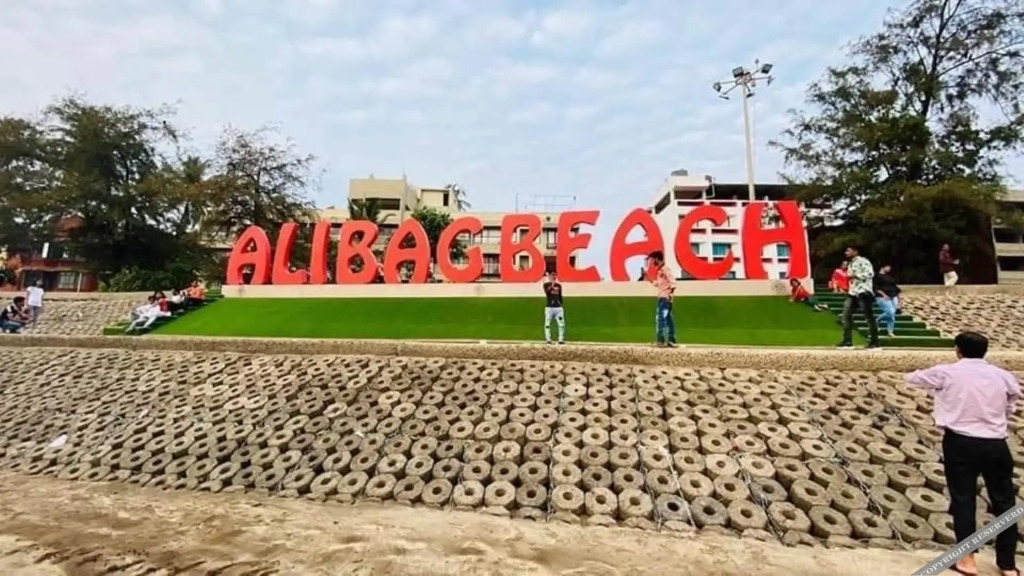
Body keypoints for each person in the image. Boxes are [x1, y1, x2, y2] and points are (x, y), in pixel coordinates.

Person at [905, 332, 1021, 576]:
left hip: (961, 441)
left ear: (958, 350)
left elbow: (913, 378)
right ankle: (1008, 564)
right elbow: (1012, 400)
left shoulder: (947, 372)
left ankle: (967, 560)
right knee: (1004, 501)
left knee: (963, 499)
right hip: (996, 443)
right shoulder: (1002, 375)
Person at [838, 246, 880, 349]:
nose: (846, 252)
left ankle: (874, 342)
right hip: (853, 292)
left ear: (855, 251)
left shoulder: (863, 261)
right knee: (846, 315)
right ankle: (847, 341)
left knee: (868, 316)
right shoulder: (851, 263)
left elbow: (870, 273)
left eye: (849, 251)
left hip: (863, 291)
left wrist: (855, 275)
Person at [648, 251, 676, 348]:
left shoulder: (665, 269)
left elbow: (673, 282)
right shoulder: (660, 271)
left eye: (653, 260)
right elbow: (657, 284)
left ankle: (661, 340)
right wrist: (647, 277)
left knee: (660, 318)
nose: (652, 262)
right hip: (663, 298)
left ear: (657, 259)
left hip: (665, 298)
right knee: (668, 319)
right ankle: (671, 340)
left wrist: (670, 295)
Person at [873, 265, 901, 338]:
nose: (889, 269)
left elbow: (896, 289)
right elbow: (876, 288)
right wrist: (884, 295)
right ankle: (877, 320)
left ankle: (890, 331)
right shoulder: (877, 277)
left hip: (893, 296)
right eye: (888, 267)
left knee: (892, 314)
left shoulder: (890, 277)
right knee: (890, 312)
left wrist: (899, 301)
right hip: (882, 297)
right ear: (883, 267)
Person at [542, 271, 565, 345]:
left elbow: (560, 295)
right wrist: (552, 284)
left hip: (558, 308)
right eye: (552, 275)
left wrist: (561, 304)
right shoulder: (546, 285)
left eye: (555, 275)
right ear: (549, 276)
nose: (554, 276)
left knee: (561, 324)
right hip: (549, 308)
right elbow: (547, 292)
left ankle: (561, 339)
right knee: (547, 324)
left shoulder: (559, 285)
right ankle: (548, 339)